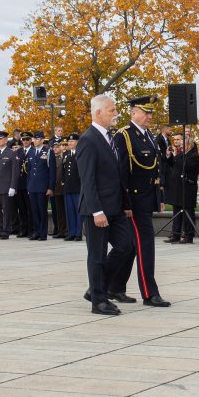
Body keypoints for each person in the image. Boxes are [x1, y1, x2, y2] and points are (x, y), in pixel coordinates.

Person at [108, 95, 169, 307]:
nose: (150, 116)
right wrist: (125, 204)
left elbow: (155, 170)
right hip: (133, 201)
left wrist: (159, 197)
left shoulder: (149, 136)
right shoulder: (124, 136)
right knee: (145, 245)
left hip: (146, 199)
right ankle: (150, 293)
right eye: (146, 112)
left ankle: (114, 287)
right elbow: (121, 173)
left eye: (151, 112)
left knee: (134, 247)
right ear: (134, 113)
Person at [77, 94, 135, 315]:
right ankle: (99, 301)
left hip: (116, 207)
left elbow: (118, 175)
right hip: (98, 210)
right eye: (112, 110)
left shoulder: (109, 138)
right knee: (97, 256)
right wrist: (96, 211)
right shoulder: (88, 139)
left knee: (126, 246)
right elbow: (88, 179)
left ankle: (96, 289)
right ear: (99, 112)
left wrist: (125, 204)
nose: (115, 114)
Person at [164, 134, 199, 244]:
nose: (181, 146)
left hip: (187, 188)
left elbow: (184, 166)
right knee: (177, 211)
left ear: (189, 145)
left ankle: (188, 236)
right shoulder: (182, 155)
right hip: (178, 188)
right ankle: (176, 234)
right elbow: (173, 165)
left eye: (183, 145)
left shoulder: (194, 156)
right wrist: (169, 156)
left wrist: (175, 156)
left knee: (188, 212)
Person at [0, 130, 19, 240]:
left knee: (6, 211)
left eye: (0, 139)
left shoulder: (11, 153)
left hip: (5, 187)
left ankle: (6, 231)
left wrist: (13, 186)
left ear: (6, 140)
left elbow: (15, 172)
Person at [25, 130, 51, 241]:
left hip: (42, 186)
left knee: (42, 210)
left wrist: (50, 187)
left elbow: (52, 171)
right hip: (33, 186)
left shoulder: (48, 152)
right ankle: (36, 231)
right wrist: (28, 186)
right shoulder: (31, 152)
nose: (34, 141)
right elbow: (29, 171)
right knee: (34, 210)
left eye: (36, 139)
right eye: (34, 139)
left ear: (41, 140)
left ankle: (43, 233)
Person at [62, 133, 82, 241]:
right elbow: (64, 171)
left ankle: (78, 233)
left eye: (72, 141)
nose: (70, 143)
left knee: (78, 211)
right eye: (69, 142)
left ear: (77, 142)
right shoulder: (66, 154)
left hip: (78, 187)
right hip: (68, 187)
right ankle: (71, 232)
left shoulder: (80, 153)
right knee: (69, 211)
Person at [48, 140, 66, 238]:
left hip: (61, 188)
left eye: (57, 147)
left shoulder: (62, 158)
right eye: (54, 147)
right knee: (56, 211)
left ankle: (64, 230)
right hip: (54, 188)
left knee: (63, 211)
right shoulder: (52, 159)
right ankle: (59, 229)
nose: (55, 149)